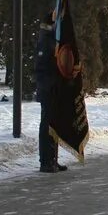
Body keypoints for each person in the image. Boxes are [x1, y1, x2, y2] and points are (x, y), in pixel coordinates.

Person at [35, 12, 67, 173]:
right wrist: (50, 85)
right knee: (47, 125)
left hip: (56, 90)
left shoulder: (55, 41)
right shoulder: (45, 41)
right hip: (48, 90)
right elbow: (41, 69)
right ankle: (45, 160)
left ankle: (53, 158)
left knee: (55, 125)